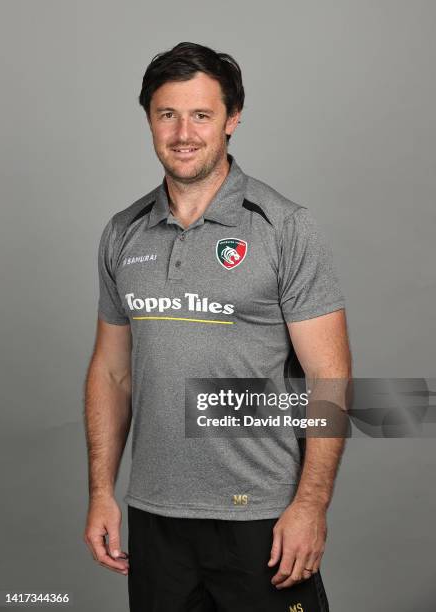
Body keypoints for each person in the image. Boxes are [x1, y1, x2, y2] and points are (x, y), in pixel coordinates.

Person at [83, 41, 352, 612]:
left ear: (232, 120)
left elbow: (330, 375)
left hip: (260, 518)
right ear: (150, 120)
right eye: (167, 114)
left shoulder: (285, 228)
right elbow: (111, 373)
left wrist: (310, 505)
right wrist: (102, 494)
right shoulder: (122, 231)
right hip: (155, 518)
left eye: (201, 114)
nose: (183, 132)